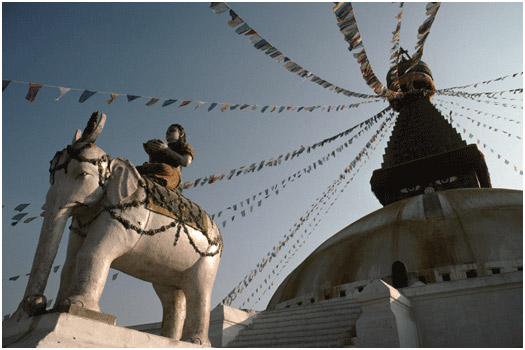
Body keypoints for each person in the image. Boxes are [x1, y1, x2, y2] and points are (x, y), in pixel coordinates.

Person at [137, 124, 194, 191]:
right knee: (137, 169)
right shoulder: (161, 145)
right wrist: (151, 152)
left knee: (165, 168)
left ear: (181, 134)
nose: (168, 133)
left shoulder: (184, 146)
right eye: (167, 132)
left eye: (172, 131)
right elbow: (153, 163)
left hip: (172, 173)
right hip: (157, 169)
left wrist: (166, 150)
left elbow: (186, 162)